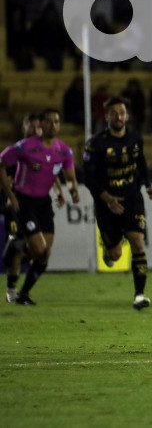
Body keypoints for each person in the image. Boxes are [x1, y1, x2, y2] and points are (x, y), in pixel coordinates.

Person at [83, 96, 152, 310]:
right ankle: (111, 247)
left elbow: (140, 162)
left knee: (137, 241)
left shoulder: (135, 139)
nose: (119, 116)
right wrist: (107, 198)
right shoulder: (96, 144)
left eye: (122, 112)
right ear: (106, 116)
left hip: (132, 198)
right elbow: (88, 178)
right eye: (114, 113)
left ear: (127, 115)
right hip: (106, 203)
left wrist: (148, 185)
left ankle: (139, 294)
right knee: (115, 254)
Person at [0, 109, 80, 305]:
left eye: (56, 122)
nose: (53, 125)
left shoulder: (64, 151)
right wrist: (11, 195)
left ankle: (23, 293)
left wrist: (72, 191)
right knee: (39, 248)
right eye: (49, 122)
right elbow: (1, 164)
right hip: (24, 201)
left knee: (44, 253)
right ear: (41, 125)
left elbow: (69, 177)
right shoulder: (25, 147)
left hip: (43, 203)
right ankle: (15, 258)